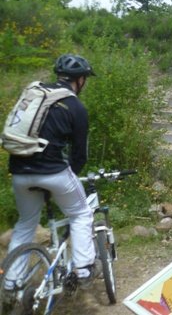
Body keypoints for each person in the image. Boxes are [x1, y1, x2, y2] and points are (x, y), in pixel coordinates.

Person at [6, 54, 98, 289]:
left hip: (19, 171)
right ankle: (84, 268)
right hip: (53, 172)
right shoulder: (75, 106)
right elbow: (79, 156)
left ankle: (11, 281)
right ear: (80, 80)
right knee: (81, 213)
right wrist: (67, 181)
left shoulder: (37, 94)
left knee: (26, 223)